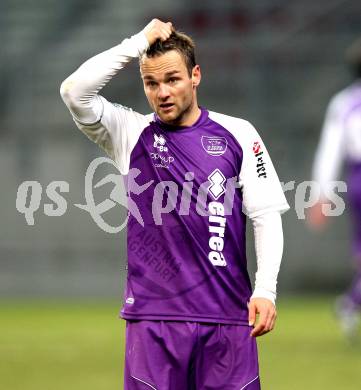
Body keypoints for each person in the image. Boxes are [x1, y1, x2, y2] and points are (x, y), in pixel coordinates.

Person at [60, 19, 289, 390]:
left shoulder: (239, 134)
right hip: (154, 321)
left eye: (173, 79)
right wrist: (137, 43)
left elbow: (265, 215)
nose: (162, 92)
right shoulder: (130, 134)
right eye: (151, 83)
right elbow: (74, 92)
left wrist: (265, 289)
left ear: (195, 75)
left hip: (227, 320)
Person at [310, 37, 361, 339]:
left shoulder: (343, 102)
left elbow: (329, 151)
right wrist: (321, 193)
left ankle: (350, 302)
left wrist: (321, 193)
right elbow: (331, 150)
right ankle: (350, 302)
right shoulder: (346, 103)